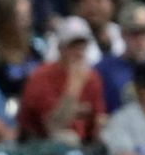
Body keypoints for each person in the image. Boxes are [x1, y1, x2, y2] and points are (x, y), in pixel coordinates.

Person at [17, 16, 106, 144]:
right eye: (73, 46)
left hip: (83, 145)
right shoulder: (41, 76)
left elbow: (97, 120)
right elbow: (54, 126)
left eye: (82, 46)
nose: (79, 52)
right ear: (60, 48)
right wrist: (74, 86)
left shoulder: (92, 78)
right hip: (39, 143)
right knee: (67, 139)